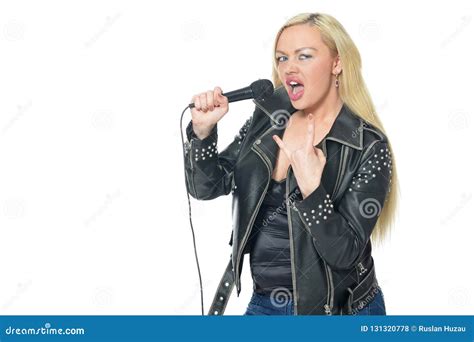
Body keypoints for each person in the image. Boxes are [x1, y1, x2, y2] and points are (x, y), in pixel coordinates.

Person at [183, 12, 398, 315]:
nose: (289, 68)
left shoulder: (368, 146)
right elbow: (208, 186)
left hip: (339, 311)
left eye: (305, 56)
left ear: (337, 63)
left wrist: (312, 189)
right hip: (265, 304)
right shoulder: (268, 119)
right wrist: (203, 135)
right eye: (282, 58)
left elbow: (345, 254)